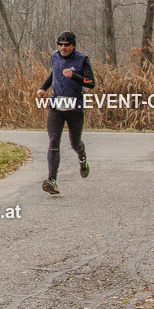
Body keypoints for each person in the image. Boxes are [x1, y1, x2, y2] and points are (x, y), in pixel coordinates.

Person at [36, 31, 94, 195]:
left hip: (74, 106)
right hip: (56, 104)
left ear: (73, 45)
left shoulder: (82, 59)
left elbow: (91, 83)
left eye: (66, 45)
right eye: (60, 45)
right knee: (54, 140)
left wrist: (74, 75)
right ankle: (51, 180)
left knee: (75, 143)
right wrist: (43, 88)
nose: (63, 48)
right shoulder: (54, 56)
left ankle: (82, 158)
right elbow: (54, 73)